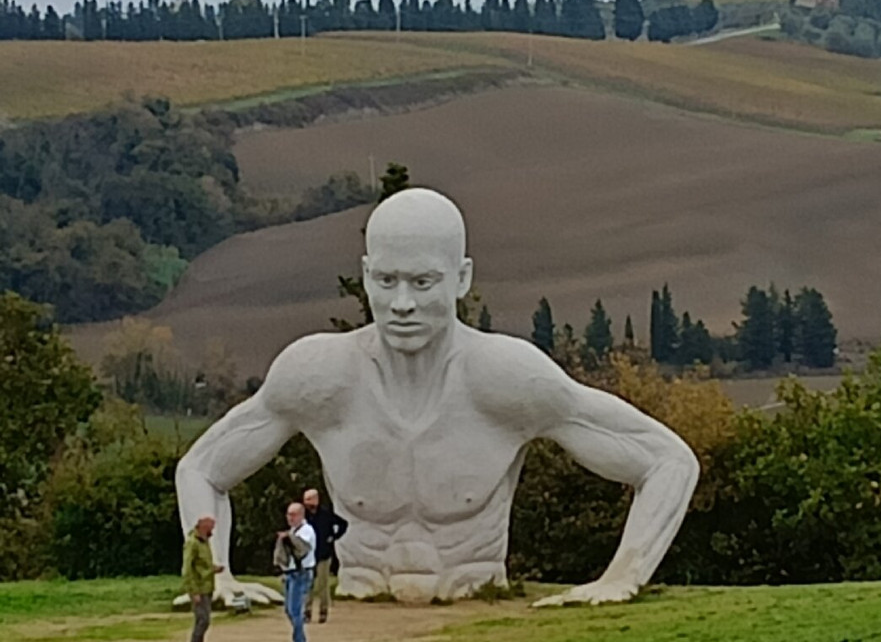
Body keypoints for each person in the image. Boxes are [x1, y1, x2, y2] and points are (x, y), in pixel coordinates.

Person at [176, 188, 698, 607]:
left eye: (424, 282)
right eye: (386, 280)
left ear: (461, 278)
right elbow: (201, 469)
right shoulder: (321, 377)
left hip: (475, 598)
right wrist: (214, 579)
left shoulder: (504, 378)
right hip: (356, 600)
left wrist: (622, 577)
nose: (402, 303)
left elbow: (666, 460)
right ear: (365, 276)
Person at [302, 488, 348, 623]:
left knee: (322, 584)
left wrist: (333, 537)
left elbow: (343, 524)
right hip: (308, 555)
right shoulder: (304, 516)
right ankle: (307, 611)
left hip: (323, 554)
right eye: (305, 500)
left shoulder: (326, 515)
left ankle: (323, 610)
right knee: (308, 584)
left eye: (309, 499)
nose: (306, 502)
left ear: (316, 500)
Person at [181, 516, 223, 642]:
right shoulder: (192, 543)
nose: (212, 532)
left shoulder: (205, 542)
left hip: (207, 587)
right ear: (203, 527)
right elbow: (187, 569)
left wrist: (213, 568)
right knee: (203, 619)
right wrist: (193, 591)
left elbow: (202, 565)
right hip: (199, 588)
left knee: (205, 620)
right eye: (211, 528)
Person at [278, 503, 316, 642]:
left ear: (301, 515)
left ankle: (299, 640)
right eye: (288, 514)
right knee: (289, 610)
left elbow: (301, 548)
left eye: (293, 515)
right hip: (290, 573)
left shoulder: (306, 530)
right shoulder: (293, 530)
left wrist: (287, 538)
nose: (290, 518)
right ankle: (300, 637)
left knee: (295, 610)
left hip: (301, 573)